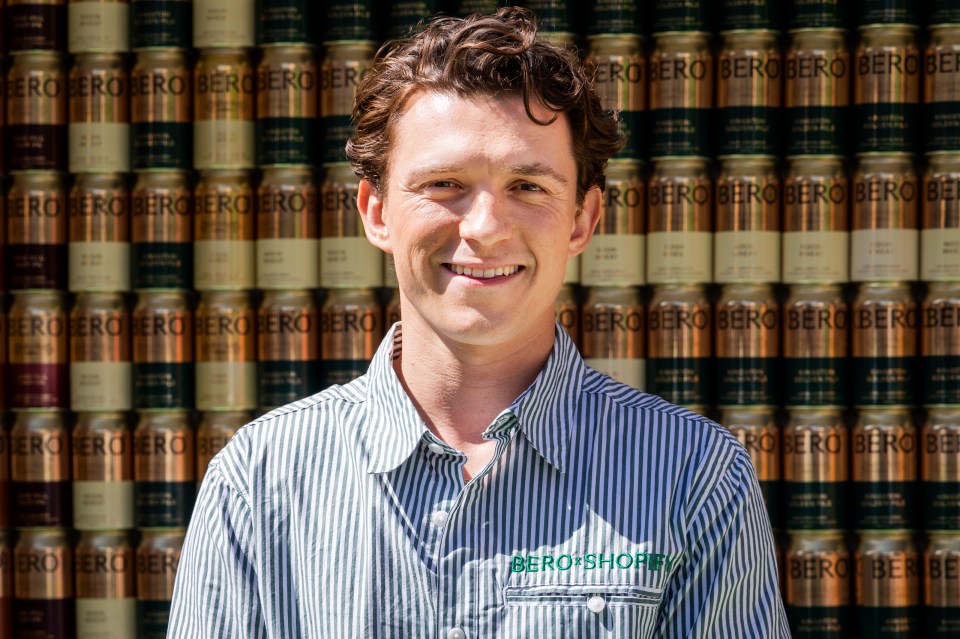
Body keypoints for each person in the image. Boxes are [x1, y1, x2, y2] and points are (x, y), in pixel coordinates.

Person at [168, 7, 788, 637]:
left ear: (582, 220)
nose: (486, 228)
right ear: (376, 212)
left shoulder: (693, 476)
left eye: (528, 186)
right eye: (443, 183)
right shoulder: (260, 479)